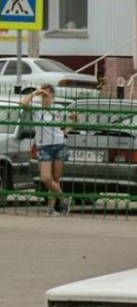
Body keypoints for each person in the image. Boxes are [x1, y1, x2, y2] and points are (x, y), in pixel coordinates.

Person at [21, 85, 75, 216]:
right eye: (45, 91)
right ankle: (65, 199)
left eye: (50, 92)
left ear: (53, 95)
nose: (47, 94)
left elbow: (75, 117)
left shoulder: (59, 109)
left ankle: (51, 209)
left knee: (56, 178)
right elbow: (23, 103)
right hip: (44, 147)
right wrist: (35, 92)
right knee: (46, 178)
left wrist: (66, 130)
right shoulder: (36, 108)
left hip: (59, 145)